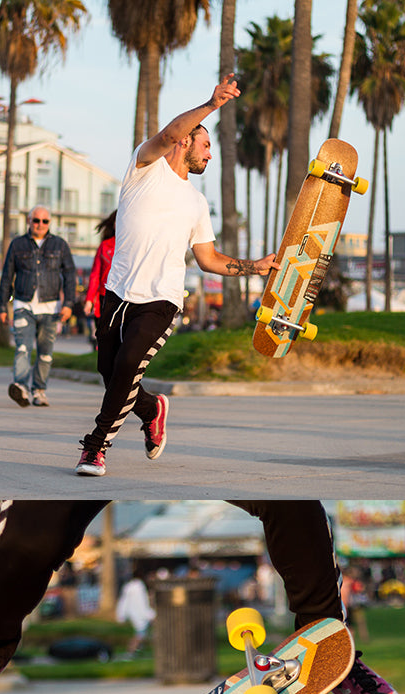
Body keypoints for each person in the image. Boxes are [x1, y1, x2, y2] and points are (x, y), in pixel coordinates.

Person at [0, 502, 405, 694]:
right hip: (97, 429)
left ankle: (329, 652)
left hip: (185, 425)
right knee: (30, 533)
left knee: (295, 503)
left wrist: (255, 274)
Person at [76, 75, 276, 477]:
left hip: (161, 301)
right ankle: (152, 409)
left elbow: (207, 258)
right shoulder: (143, 167)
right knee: (109, 372)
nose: (210, 155)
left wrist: (254, 266)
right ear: (186, 142)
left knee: (128, 365)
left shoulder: (197, 203)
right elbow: (168, 132)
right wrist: (211, 104)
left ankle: (95, 449)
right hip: (116, 294)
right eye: (205, 145)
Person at [0, 206, 76, 408]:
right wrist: (1, 306)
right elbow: (7, 276)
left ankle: (39, 391)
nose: (40, 225)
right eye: (36, 220)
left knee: (45, 353)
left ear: (49, 223)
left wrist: (68, 304)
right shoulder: (18, 244)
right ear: (28, 221)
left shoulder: (60, 245)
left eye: (44, 221)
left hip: (51, 308)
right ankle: (21, 387)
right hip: (23, 304)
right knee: (23, 348)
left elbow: (70, 276)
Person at [85, 210, 118, 351]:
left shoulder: (135, 246)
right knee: (104, 337)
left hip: (125, 297)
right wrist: (89, 300)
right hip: (104, 297)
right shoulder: (105, 246)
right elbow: (95, 275)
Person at [115, 567, 155, 658]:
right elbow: (142, 603)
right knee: (140, 635)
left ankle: (136, 651)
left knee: (142, 634)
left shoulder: (129, 587)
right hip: (140, 615)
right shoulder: (139, 587)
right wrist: (149, 614)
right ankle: (131, 651)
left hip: (135, 614)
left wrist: (121, 615)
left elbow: (123, 601)